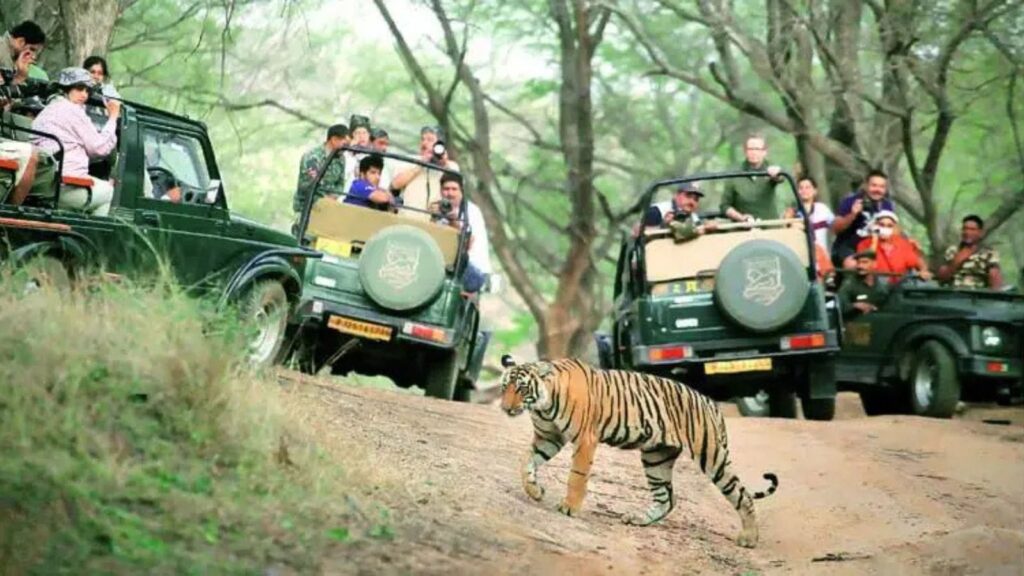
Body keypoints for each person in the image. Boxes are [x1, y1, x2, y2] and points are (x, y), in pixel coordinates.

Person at [31, 67, 120, 216]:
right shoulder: (72, 110)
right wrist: (113, 117)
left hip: (42, 184)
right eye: (79, 88)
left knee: (100, 185)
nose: (84, 95)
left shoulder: (47, 111)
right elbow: (100, 148)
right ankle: (91, 231)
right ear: (66, 89)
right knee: (112, 194)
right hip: (65, 187)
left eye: (87, 91)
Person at [429, 172, 491, 294]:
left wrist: (453, 221)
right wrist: (431, 217)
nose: (450, 193)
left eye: (454, 189)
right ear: (440, 191)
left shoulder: (471, 211)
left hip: (470, 267)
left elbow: (467, 244)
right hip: (442, 261)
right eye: (446, 189)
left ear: (461, 191)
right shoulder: (436, 207)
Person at [391, 125, 459, 220]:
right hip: (407, 218)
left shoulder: (450, 166)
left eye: (429, 140)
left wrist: (444, 164)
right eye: (422, 139)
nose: (424, 143)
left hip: (433, 222)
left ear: (439, 145)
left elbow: (456, 190)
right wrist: (421, 164)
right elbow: (395, 185)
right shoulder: (409, 161)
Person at [831, 169, 895, 268]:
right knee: (855, 266)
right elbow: (835, 229)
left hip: (875, 248)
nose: (877, 190)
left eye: (882, 187)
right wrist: (852, 214)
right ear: (866, 186)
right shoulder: (850, 201)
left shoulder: (887, 205)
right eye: (874, 185)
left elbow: (893, 229)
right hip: (849, 247)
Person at [853, 211, 931, 282]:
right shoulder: (864, 244)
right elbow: (867, 263)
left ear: (895, 228)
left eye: (889, 226)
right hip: (874, 286)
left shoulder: (903, 244)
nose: (885, 228)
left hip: (898, 286)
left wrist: (923, 270)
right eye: (881, 225)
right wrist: (874, 238)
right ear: (875, 225)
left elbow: (918, 262)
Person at [721, 134, 782, 222]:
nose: (754, 152)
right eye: (750, 149)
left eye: (757, 149)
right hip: (744, 227)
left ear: (764, 152)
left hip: (770, 226)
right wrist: (741, 217)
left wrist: (776, 174)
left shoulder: (770, 169)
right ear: (745, 151)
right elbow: (725, 206)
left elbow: (780, 178)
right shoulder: (734, 174)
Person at [292, 123, 349, 215]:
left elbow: (340, 182)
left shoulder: (341, 158)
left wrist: (334, 196)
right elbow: (310, 184)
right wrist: (325, 199)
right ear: (334, 139)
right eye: (344, 144)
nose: (346, 147)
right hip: (308, 208)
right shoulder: (312, 157)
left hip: (328, 208)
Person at [937, 215, 1003, 290]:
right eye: (964, 229)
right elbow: (942, 278)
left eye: (972, 229)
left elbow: (995, 281)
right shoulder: (952, 251)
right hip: (952, 293)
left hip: (976, 295)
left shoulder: (989, 253)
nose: (967, 232)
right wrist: (956, 261)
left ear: (980, 233)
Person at [641, 181, 718, 242]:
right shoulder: (657, 211)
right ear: (676, 195)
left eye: (696, 199)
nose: (692, 202)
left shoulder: (695, 218)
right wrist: (663, 225)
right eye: (688, 196)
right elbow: (643, 238)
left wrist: (709, 228)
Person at [783, 176, 834, 251]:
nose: (804, 190)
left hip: (821, 254)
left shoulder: (822, 209)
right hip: (801, 253)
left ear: (815, 191)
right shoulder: (791, 213)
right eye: (801, 188)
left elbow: (836, 226)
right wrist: (787, 222)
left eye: (808, 187)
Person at [837, 250, 889, 317]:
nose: (860, 266)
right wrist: (855, 305)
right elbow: (840, 305)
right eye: (858, 263)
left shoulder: (883, 283)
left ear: (874, 264)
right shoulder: (849, 284)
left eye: (864, 262)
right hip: (857, 320)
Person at [0, 21, 48, 86]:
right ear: (21, 41)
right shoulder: (3, 54)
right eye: (31, 49)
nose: (33, 56)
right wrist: (20, 76)